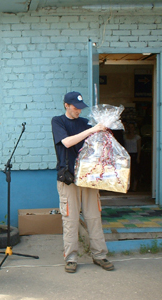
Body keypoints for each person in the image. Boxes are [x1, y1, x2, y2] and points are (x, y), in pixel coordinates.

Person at [51, 91, 114, 273]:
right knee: (70, 219)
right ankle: (70, 258)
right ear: (66, 105)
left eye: (80, 107)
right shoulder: (58, 121)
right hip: (68, 178)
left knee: (94, 218)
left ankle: (99, 255)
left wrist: (104, 133)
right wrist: (93, 129)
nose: (78, 110)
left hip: (89, 178)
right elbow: (68, 142)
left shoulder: (86, 123)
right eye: (75, 107)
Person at [124, 122, 141, 192]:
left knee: (134, 171)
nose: (130, 129)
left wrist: (138, 157)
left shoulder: (137, 137)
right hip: (127, 155)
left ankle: (134, 186)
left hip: (134, 155)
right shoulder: (124, 136)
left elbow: (139, 148)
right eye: (129, 127)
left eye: (132, 127)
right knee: (127, 171)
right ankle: (127, 186)